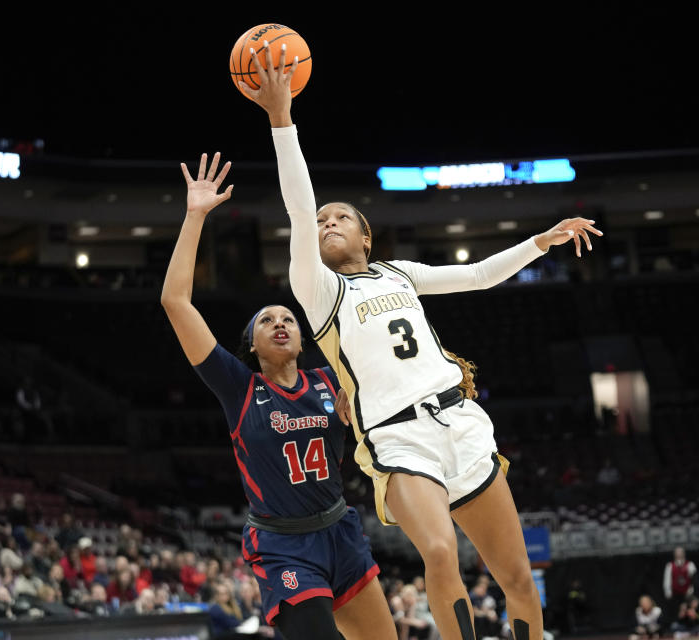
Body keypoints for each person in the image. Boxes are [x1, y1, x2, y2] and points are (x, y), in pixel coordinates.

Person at [240, 42, 602, 640]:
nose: (327, 223)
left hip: (459, 421)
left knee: (515, 574)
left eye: (341, 218)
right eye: (324, 220)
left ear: (366, 235)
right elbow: (299, 212)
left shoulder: (400, 273)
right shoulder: (318, 289)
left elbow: (480, 274)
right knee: (438, 550)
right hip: (397, 434)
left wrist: (541, 241)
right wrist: (282, 120)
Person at [160, 153, 395, 640]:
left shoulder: (332, 380)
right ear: (250, 344)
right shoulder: (238, 386)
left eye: (287, 317)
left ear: (303, 339)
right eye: (266, 320)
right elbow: (175, 301)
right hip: (284, 547)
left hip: (341, 532)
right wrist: (196, 214)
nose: (280, 323)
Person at [664, 547, 697, 618]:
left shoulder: (690, 565)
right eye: (677, 554)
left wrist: (691, 589)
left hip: (687, 594)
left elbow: (694, 579)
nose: (679, 555)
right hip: (675, 595)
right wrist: (668, 592)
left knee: (689, 611)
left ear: (684, 554)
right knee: (676, 612)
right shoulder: (670, 565)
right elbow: (667, 580)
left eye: (680, 553)